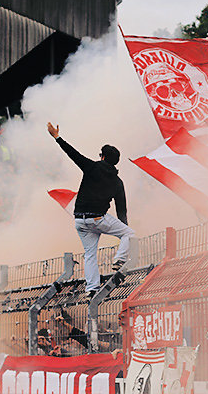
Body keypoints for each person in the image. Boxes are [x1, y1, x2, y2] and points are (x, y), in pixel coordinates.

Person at [46, 122, 133, 299]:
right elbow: (121, 211)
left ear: (102, 157)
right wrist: (122, 233)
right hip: (98, 219)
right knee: (129, 234)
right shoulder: (118, 182)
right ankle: (119, 260)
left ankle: (91, 289)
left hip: (79, 220)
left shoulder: (92, 167)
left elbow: (73, 154)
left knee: (90, 255)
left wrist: (56, 137)